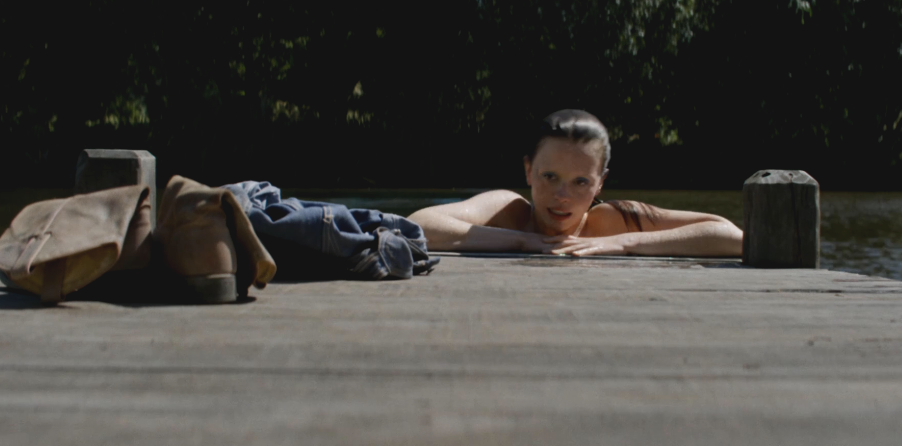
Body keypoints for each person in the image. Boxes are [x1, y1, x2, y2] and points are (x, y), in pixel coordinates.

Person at [408, 109, 743, 257]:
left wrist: (624, 242)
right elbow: (417, 225)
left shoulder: (614, 220)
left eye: (581, 181)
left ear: (601, 184)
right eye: (549, 177)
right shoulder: (507, 210)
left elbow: (731, 236)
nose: (562, 195)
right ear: (528, 171)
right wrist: (521, 240)